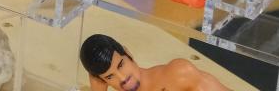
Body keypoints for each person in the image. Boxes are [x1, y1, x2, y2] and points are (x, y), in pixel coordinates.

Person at [80, 34, 230, 91]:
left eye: (121, 65)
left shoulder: (177, 74)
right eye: (109, 77)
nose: (123, 78)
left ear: (128, 53)